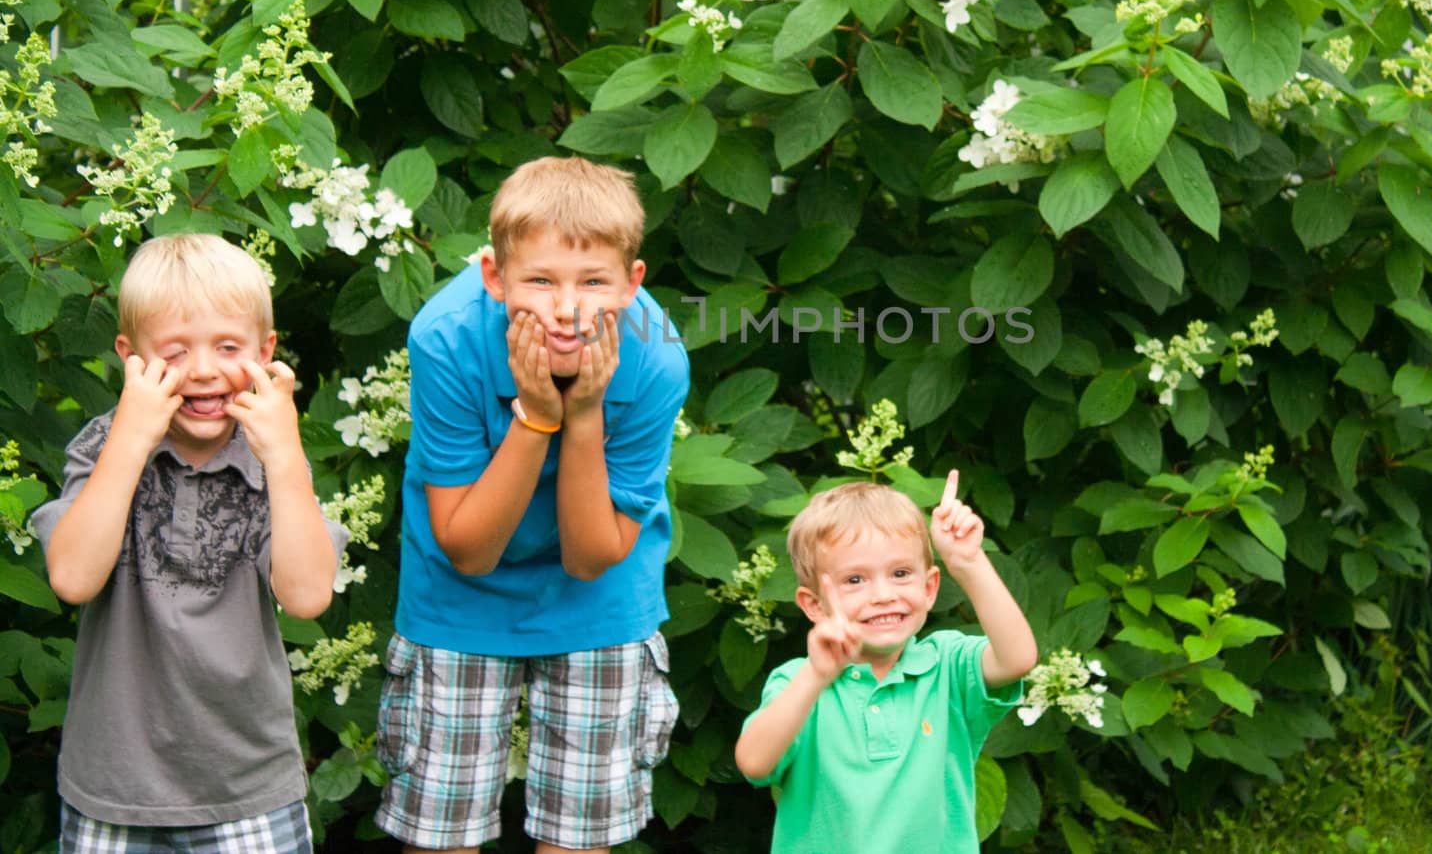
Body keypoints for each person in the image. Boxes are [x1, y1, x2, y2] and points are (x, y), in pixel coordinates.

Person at [376, 156, 690, 854]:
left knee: (580, 834)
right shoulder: (446, 337)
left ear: (633, 283)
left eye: (594, 282)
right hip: (461, 591)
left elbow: (591, 556)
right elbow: (468, 546)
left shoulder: (656, 358)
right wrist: (537, 417)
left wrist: (583, 417)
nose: (568, 307)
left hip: (597, 596)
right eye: (540, 280)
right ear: (494, 277)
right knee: (440, 828)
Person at [31, 232, 344, 853]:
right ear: (130, 358)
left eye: (227, 347)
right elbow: (71, 578)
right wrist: (130, 439)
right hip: (114, 785)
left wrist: (285, 458)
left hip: (247, 786)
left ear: (266, 350)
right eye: (175, 351)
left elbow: (308, 596)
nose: (203, 369)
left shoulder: (270, 456)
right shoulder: (102, 447)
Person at [734, 469, 1038, 853]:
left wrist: (968, 562)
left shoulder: (947, 667)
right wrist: (816, 675)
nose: (883, 594)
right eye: (854, 580)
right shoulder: (797, 682)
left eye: (900, 573)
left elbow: (1018, 659)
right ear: (814, 605)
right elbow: (754, 763)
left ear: (929, 588)